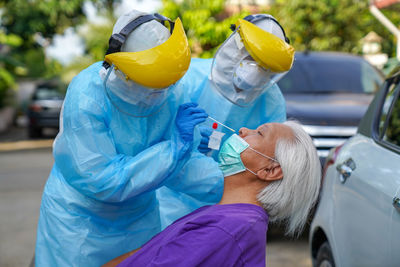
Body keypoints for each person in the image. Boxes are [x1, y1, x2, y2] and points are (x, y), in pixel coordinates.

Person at [35, 10, 217, 266]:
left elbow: (177, 168)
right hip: (80, 221)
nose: (156, 95)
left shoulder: (170, 91)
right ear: (118, 68)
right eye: (147, 83)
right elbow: (102, 180)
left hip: (141, 216)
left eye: (164, 86)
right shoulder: (87, 97)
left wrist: (228, 181)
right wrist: (175, 148)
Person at [105, 121, 321, 266]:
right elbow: (144, 254)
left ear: (270, 170)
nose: (244, 130)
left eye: (259, 133)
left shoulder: (228, 229)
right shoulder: (231, 219)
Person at [156, 13, 295, 229]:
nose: (253, 74)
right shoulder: (189, 78)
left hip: (231, 210)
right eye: (251, 59)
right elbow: (156, 148)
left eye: (265, 67)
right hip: (170, 206)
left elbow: (270, 162)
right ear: (235, 47)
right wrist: (178, 141)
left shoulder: (271, 99)